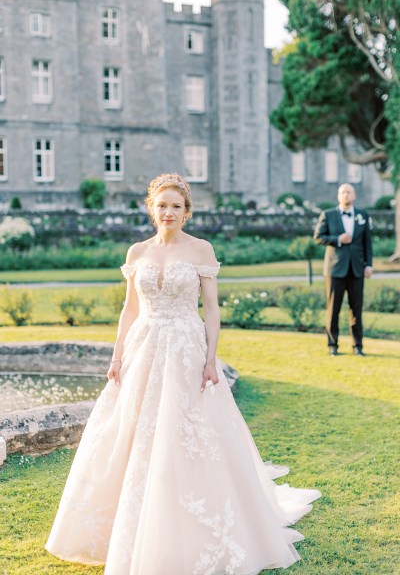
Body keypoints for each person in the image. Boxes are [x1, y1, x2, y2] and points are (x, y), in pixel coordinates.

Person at [46, 173, 321, 574]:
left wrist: (211, 359)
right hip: (143, 348)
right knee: (130, 430)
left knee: (186, 430)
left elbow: (211, 310)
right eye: (162, 205)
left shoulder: (201, 250)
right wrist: (116, 356)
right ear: (151, 209)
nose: (169, 212)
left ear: (187, 211)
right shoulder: (137, 251)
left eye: (176, 206)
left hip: (185, 349)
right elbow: (130, 309)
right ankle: (127, 524)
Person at [314, 183, 373, 357]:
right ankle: (333, 345)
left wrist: (368, 265)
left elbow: (367, 243)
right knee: (334, 309)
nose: (346, 195)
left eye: (349, 192)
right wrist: (337, 239)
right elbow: (318, 237)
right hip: (334, 269)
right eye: (343, 192)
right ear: (338, 196)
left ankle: (358, 346)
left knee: (356, 309)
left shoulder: (362, 215)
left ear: (354, 195)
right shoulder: (328, 215)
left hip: (356, 270)